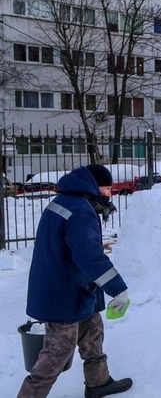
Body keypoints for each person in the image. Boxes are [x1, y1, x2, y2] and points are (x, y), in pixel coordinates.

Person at [18, 164, 133, 398]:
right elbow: (89, 256)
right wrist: (117, 289)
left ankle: (98, 382)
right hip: (63, 292)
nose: (109, 194)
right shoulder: (80, 210)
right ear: (93, 186)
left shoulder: (66, 202)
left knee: (93, 333)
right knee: (58, 351)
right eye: (106, 188)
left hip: (74, 288)